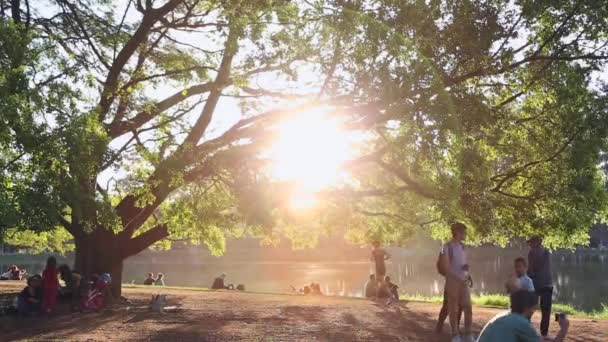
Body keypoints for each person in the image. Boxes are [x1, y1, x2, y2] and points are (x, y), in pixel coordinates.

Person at [477, 290, 569, 342]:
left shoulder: (505, 315)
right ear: (526, 308)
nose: (533, 312)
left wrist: (541, 338)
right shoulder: (522, 323)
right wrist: (563, 329)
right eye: (533, 308)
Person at [438, 223, 474, 342]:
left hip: (463, 280)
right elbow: (446, 266)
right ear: (457, 232)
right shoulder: (447, 247)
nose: (465, 234)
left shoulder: (463, 246)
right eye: (464, 232)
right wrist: (457, 275)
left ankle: (468, 335)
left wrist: (468, 274)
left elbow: (462, 263)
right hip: (452, 280)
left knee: (468, 307)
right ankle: (455, 335)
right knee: (453, 309)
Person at [527, 236, 553, 337]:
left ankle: (526, 329)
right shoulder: (546, 252)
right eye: (529, 243)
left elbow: (531, 269)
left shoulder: (532, 253)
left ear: (537, 243)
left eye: (531, 243)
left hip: (537, 284)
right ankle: (544, 333)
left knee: (529, 308)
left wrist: (527, 278)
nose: (530, 245)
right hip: (547, 284)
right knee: (546, 310)